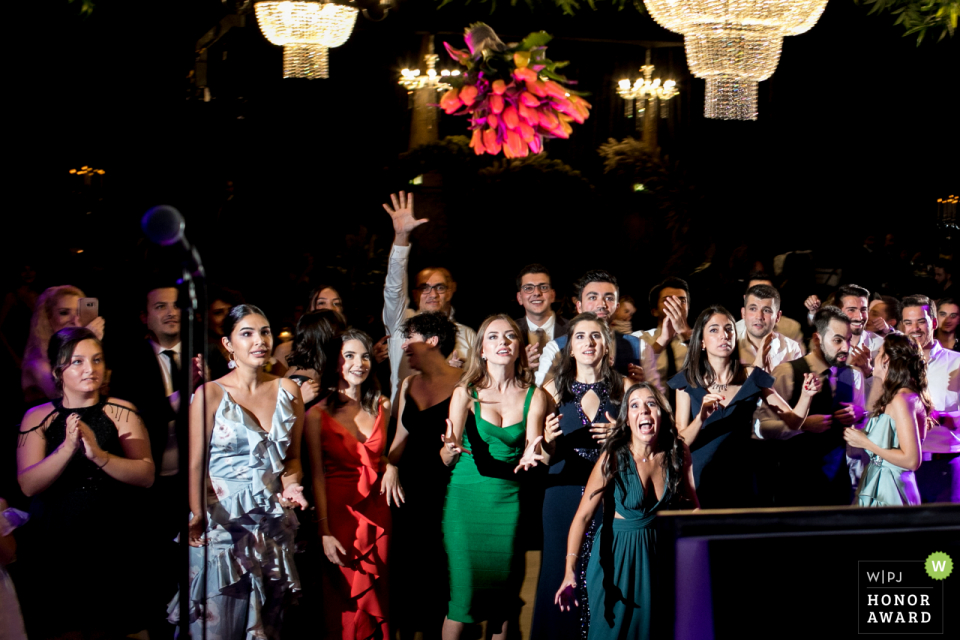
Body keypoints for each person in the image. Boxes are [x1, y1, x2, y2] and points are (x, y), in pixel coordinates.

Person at [16, 326, 154, 638]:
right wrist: (66, 449)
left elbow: (145, 475)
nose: (90, 369)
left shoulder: (121, 411)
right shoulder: (37, 417)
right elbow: (28, 485)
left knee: (123, 627)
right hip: (55, 536)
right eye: (77, 361)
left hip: (112, 534)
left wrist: (99, 455)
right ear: (57, 370)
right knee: (65, 627)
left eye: (96, 360)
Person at [183, 305, 308, 640]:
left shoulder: (289, 391)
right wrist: (196, 513)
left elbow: (292, 459)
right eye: (247, 333)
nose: (259, 340)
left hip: (271, 526)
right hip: (222, 526)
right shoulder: (209, 394)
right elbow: (194, 464)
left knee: (268, 626)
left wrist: (292, 486)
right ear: (228, 343)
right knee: (219, 624)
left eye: (265, 331)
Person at [554, 383, 698, 639]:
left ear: (662, 413)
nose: (643, 411)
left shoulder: (678, 452)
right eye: (634, 406)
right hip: (615, 558)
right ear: (628, 419)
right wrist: (569, 571)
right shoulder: (613, 457)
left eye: (651, 404)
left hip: (659, 557)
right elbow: (583, 517)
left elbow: (693, 508)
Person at [440, 314, 549, 640]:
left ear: (518, 347)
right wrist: (449, 449)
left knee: (502, 608)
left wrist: (537, 455)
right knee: (461, 603)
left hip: (508, 504)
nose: (502, 342)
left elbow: (534, 448)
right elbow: (446, 457)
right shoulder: (465, 393)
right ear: (482, 350)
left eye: (509, 336)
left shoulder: (536, 395)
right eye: (493, 337)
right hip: (465, 501)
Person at [531, 313, 628, 640]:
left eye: (596, 336)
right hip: (561, 496)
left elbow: (647, 446)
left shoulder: (625, 388)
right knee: (559, 572)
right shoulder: (551, 389)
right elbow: (540, 457)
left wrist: (624, 434)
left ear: (607, 346)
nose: (589, 342)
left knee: (607, 573)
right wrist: (547, 439)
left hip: (611, 496)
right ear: (570, 347)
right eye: (581, 336)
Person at [670, 305, 821, 508]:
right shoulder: (687, 382)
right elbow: (681, 442)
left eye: (729, 329)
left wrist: (806, 395)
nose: (724, 335)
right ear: (701, 341)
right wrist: (700, 418)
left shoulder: (753, 376)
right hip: (700, 479)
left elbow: (793, 422)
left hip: (742, 479)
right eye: (714, 330)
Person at [382, 312, 462, 639]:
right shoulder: (407, 384)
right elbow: (400, 438)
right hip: (408, 493)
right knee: (407, 574)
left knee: (439, 576)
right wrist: (389, 465)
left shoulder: (465, 383)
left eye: (410, 336)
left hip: (445, 491)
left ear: (432, 341)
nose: (404, 345)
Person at [310, 329, 392, 639]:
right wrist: (324, 530)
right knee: (343, 600)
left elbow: (383, 456)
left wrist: (390, 464)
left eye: (365, 356)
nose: (359, 363)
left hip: (378, 511)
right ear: (335, 363)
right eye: (349, 356)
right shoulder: (316, 416)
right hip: (338, 514)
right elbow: (316, 475)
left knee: (379, 593)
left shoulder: (383, 405)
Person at [758, 307, 868, 505]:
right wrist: (801, 425)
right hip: (794, 482)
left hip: (837, 482)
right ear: (817, 339)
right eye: (837, 340)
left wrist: (860, 416)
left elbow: (863, 431)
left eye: (848, 339)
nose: (846, 347)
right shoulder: (787, 372)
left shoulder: (854, 375)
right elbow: (762, 427)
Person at [382, 192, 476, 403]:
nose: (432, 294)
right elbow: (393, 289)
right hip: (405, 423)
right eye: (425, 288)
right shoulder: (401, 324)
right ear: (414, 294)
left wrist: (457, 375)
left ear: (451, 290)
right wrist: (401, 238)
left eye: (440, 287)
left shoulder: (468, 335)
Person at [844, 333, 928, 506]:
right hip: (878, 480)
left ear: (886, 360)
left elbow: (911, 460)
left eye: (879, 352)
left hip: (891, 488)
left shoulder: (902, 400)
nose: (874, 357)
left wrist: (866, 443)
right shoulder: (895, 396)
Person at [536, 270, 655, 388]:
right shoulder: (555, 348)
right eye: (593, 297)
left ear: (617, 307)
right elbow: (541, 394)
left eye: (609, 298)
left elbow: (656, 396)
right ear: (579, 306)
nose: (601, 304)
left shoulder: (639, 347)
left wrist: (644, 385)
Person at [899, 295, 960, 503]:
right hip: (902, 467)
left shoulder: (957, 362)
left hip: (944, 465)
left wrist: (940, 418)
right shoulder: (893, 365)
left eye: (921, 321)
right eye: (908, 322)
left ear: (933, 322)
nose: (914, 328)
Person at [21, 285, 105, 404]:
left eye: (79, 313)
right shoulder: (39, 365)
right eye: (64, 313)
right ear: (48, 318)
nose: (74, 320)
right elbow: (71, 403)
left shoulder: (85, 354)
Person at [272, 284, 348, 376]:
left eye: (336, 303)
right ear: (308, 309)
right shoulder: (286, 350)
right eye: (321, 303)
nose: (330, 308)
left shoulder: (350, 346)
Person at [636, 277, 691, 396]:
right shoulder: (640, 339)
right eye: (668, 300)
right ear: (654, 311)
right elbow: (634, 371)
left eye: (682, 300)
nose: (676, 305)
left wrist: (686, 334)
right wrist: (662, 341)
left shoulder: (704, 338)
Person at [736, 283, 803, 371]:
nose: (759, 316)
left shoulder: (791, 348)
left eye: (766, 310)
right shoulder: (730, 347)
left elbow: (797, 383)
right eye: (753, 309)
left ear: (778, 316)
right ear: (743, 313)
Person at [514, 264, 568, 371]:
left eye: (543, 287)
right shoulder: (510, 332)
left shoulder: (573, 329)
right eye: (528, 288)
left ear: (552, 295)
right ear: (519, 298)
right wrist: (520, 367)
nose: (537, 293)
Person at [736, 271, 804, 345]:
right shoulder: (733, 333)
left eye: (766, 293)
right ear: (745, 298)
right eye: (755, 293)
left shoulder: (791, 329)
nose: (760, 299)